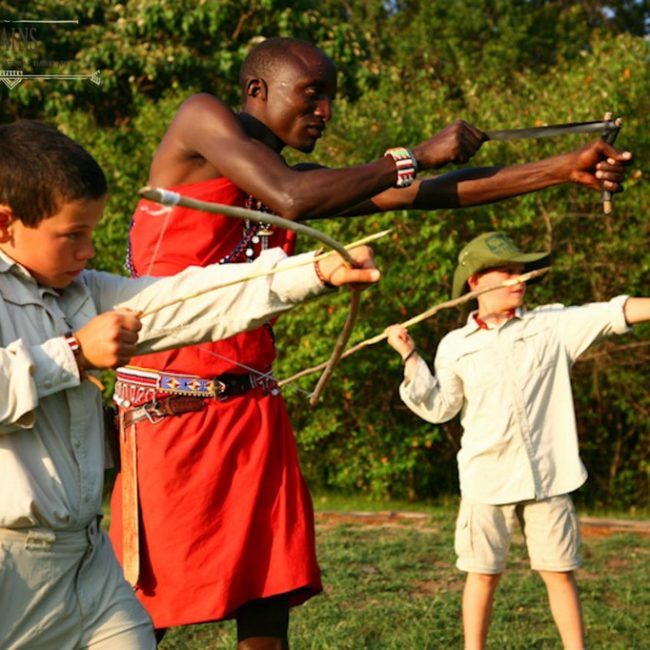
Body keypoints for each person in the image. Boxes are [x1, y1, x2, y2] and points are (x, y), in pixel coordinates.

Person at [109, 36, 631, 648]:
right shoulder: (202, 118)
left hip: (251, 412)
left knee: (268, 603)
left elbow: (424, 194)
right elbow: (294, 197)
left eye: (331, 97)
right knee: (144, 617)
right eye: (313, 94)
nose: (326, 111)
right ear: (257, 92)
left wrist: (558, 170)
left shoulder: (294, 178)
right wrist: (413, 154)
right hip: (171, 416)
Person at [0, 119, 378, 649]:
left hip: (86, 560)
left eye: (91, 232)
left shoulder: (79, 290)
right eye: (72, 235)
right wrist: (75, 354)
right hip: (11, 568)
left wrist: (312, 273)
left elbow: (186, 300)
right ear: (4, 225)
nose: (88, 251)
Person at [386, 231, 649, 650]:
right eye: (506, 271)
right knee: (483, 574)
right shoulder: (455, 346)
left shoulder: (552, 325)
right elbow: (441, 408)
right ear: (475, 282)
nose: (518, 279)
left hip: (550, 477)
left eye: (520, 271)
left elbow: (615, 311)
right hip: (485, 481)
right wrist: (410, 357)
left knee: (559, 572)